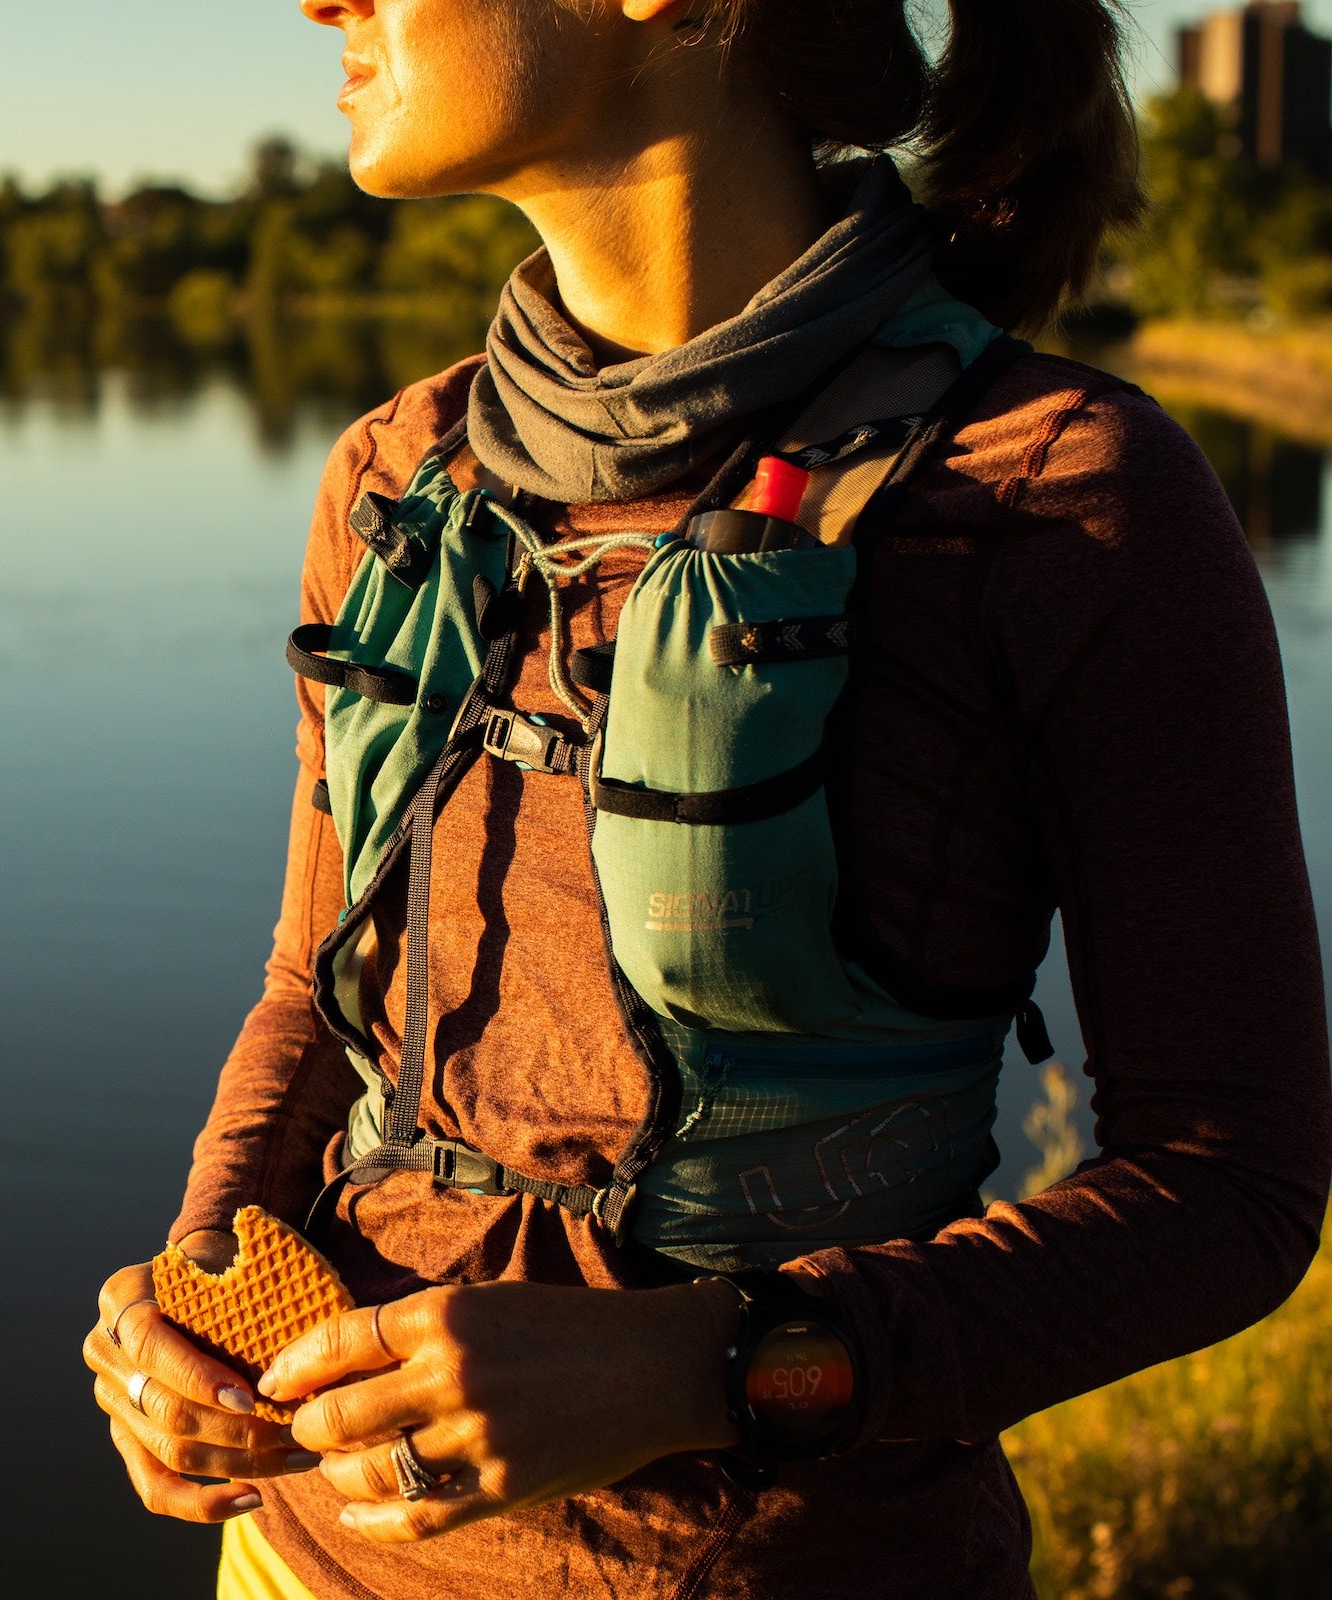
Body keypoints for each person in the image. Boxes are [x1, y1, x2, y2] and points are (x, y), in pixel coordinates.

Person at [79, 0, 1332, 1596]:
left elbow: (1232, 1188)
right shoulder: (400, 475)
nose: (322, 2)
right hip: (305, 1564)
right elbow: (311, 994)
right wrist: (193, 1287)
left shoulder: (1059, 495)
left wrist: (697, 1369)